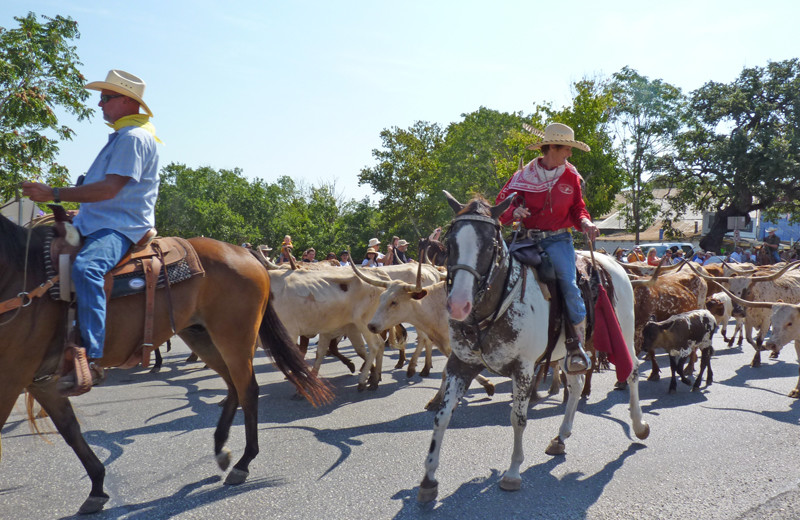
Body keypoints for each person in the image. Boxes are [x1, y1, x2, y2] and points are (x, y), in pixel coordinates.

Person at [21, 69, 162, 393]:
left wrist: (54, 193)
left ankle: (91, 357)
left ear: (127, 100)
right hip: (96, 221)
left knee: (87, 268)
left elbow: (110, 189)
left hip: (120, 226)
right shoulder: (122, 137)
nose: (100, 104)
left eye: (106, 98)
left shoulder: (133, 138)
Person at [495, 122, 598, 374]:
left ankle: (576, 346)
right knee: (495, 277)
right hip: (525, 239)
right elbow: (500, 204)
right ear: (552, 147)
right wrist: (513, 211)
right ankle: (489, 335)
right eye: (567, 149)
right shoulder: (522, 176)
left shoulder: (571, 175)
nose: (570, 154)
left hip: (559, 240)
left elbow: (577, 208)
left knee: (570, 286)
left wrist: (585, 221)